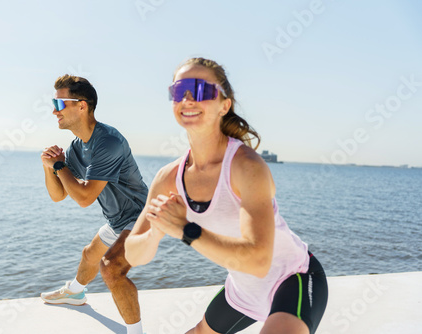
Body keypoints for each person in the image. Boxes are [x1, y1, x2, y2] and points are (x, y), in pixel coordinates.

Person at [125, 58, 328, 334]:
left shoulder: (246, 166)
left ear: (224, 104)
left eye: (200, 90)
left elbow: (258, 261)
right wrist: (157, 231)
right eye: (178, 90)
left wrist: (185, 229)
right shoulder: (168, 177)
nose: (187, 99)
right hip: (243, 291)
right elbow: (133, 254)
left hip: (293, 279)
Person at [40, 74, 148, 334]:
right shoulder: (78, 146)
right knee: (90, 254)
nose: (54, 111)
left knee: (111, 268)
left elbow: (85, 197)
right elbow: (60, 195)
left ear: (81, 105)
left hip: (143, 216)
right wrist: (49, 166)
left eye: (59, 104)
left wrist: (59, 166)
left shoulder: (108, 142)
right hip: (118, 219)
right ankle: (75, 294)